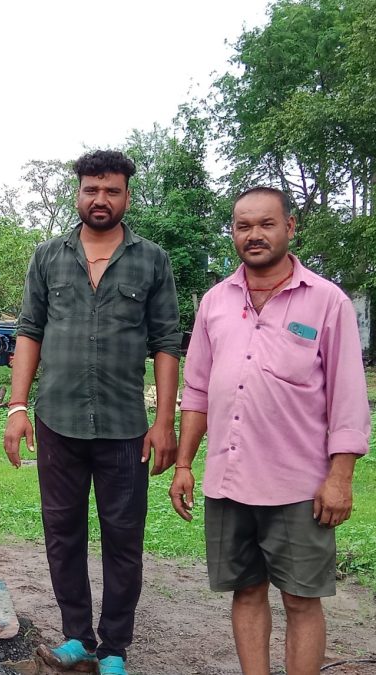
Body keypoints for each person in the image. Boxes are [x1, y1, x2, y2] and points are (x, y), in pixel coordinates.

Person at [170, 187, 370, 675]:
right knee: (246, 591)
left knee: (301, 599)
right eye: (244, 226)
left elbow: (347, 398)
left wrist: (340, 477)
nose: (254, 234)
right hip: (228, 481)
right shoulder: (215, 301)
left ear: (290, 227)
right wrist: (184, 464)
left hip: (298, 486)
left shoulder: (327, 301)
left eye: (266, 224)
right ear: (233, 233)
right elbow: (197, 390)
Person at [3, 150, 182, 675]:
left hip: (126, 428)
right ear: (78, 193)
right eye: (91, 189)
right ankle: (77, 638)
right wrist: (17, 406)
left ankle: (115, 648)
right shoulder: (48, 257)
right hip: (56, 420)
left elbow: (167, 341)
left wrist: (165, 422)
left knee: (124, 539)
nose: (100, 199)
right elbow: (29, 330)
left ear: (127, 195)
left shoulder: (152, 260)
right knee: (62, 532)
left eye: (111, 190)